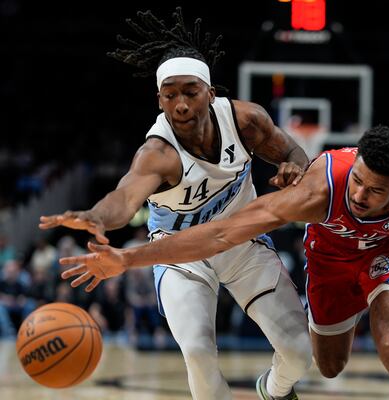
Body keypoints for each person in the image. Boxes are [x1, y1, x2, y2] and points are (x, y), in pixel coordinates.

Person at [58, 126, 389, 400]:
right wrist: (128, 258)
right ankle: (276, 384)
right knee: (328, 366)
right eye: (357, 180)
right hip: (329, 262)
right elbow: (222, 233)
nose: (359, 194)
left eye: (375, 190)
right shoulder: (317, 190)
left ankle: (378, 306)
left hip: (387, 256)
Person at [39, 8, 312, 400]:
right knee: (199, 354)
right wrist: (96, 215)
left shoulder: (246, 120)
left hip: (241, 246)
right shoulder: (158, 152)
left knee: (300, 354)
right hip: (180, 256)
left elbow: (291, 149)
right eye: (170, 95)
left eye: (190, 92)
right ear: (159, 99)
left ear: (211, 92)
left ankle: (273, 390)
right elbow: (125, 196)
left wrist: (295, 167)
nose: (180, 104)